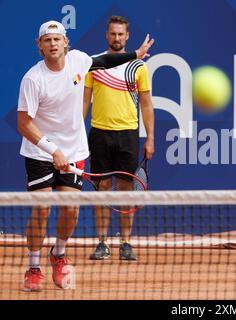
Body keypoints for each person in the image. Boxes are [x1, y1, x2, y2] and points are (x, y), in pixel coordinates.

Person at [17, 20, 154, 292]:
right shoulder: (33, 79)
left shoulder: (79, 61)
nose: (53, 44)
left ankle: (58, 255)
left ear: (66, 43)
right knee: (42, 209)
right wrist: (52, 150)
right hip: (39, 152)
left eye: (58, 39)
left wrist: (135, 55)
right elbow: (23, 124)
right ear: (39, 46)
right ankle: (33, 266)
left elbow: (104, 60)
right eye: (47, 40)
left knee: (71, 210)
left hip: (73, 150)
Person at [83, 16, 155, 261]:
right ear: (107, 35)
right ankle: (102, 243)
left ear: (127, 36)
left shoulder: (138, 67)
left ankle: (125, 242)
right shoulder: (95, 64)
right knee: (102, 188)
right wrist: (76, 133)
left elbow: (146, 105)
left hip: (128, 134)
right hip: (99, 133)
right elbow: (85, 100)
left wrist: (150, 138)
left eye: (120, 34)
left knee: (125, 190)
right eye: (113, 34)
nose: (116, 38)